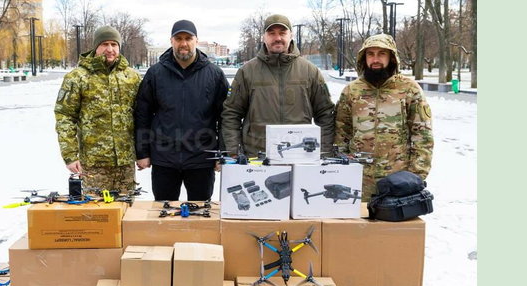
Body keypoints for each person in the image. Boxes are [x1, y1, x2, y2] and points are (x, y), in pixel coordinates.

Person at [134, 20, 229, 200]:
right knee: (164, 214)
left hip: (202, 159)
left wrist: (221, 153)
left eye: (188, 38)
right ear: (172, 41)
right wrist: (142, 152)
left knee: (201, 215)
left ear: (196, 40)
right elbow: (143, 114)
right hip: (164, 159)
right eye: (178, 38)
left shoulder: (214, 74)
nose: (183, 43)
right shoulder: (155, 74)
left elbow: (225, 117)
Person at [334, 33, 434, 202]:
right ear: (363, 58)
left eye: (381, 54)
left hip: (397, 181)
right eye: (370, 54)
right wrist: (342, 170)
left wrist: (415, 176)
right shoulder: (351, 91)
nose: (375, 59)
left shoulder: (409, 89)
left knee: (392, 228)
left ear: (392, 58)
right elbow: (341, 133)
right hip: (358, 181)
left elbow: (422, 137)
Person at [221, 14, 335, 157]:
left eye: (282, 33)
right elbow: (232, 113)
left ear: (291, 35)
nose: (277, 38)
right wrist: (233, 152)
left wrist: (323, 152)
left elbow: (325, 113)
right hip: (257, 156)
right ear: (264, 37)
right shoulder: (247, 72)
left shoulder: (309, 71)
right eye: (271, 33)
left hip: (299, 155)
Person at [54, 25, 141, 193]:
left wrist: (143, 151)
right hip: (93, 164)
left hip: (125, 164)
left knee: (126, 212)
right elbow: (65, 116)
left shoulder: (131, 77)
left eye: (114, 45)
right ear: (96, 47)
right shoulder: (77, 77)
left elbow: (142, 115)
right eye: (105, 44)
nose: (110, 49)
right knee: (96, 214)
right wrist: (70, 156)